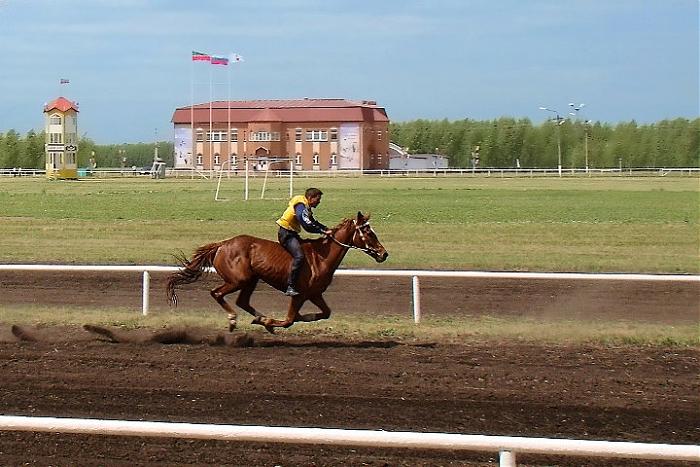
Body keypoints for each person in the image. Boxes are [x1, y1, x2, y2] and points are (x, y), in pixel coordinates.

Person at [276, 187, 333, 296]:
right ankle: (290, 286)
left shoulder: (306, 207)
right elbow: (306, 224)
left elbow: (312, 222)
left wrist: (325, 229)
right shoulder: (300, 205)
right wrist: (322, 231)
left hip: (292, 233)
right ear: (310, 198)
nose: (319, 202)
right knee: (300, 256)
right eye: (318, 199)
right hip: (286, 234)